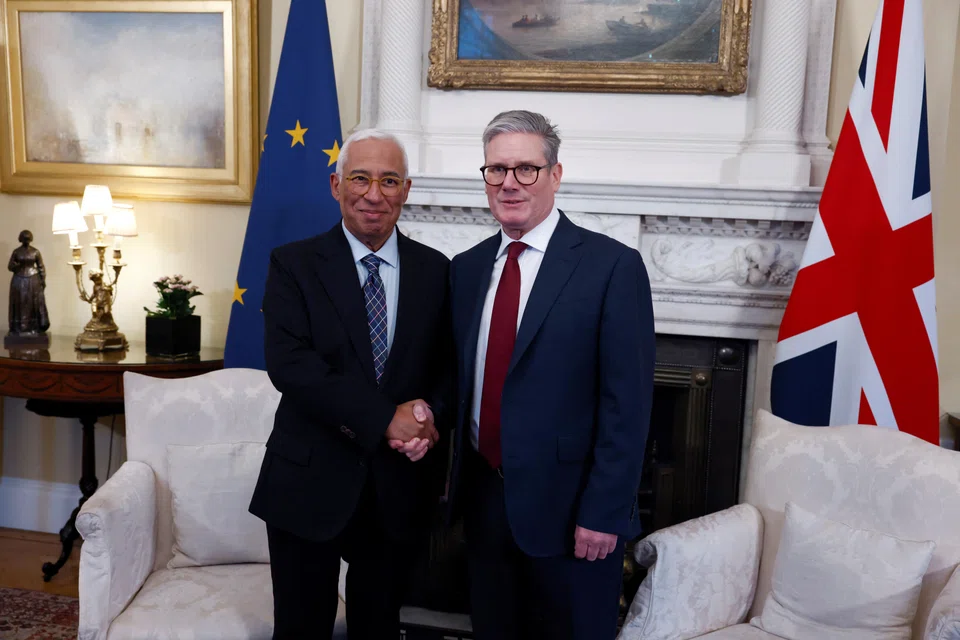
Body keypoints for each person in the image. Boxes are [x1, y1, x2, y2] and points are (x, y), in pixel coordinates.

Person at [447, 110, 655, 639]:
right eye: (496, 169)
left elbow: (626, 407)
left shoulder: (612, 267)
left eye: (526, 169)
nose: (509, 183)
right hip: (486, 507)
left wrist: (604, 512)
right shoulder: (466, 269)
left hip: (573, 517)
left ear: (555, 175)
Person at [249, 129, 453, 639]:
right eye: (360, 178)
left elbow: (450, 368)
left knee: (379, 629)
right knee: (301, 629)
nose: (373, 194)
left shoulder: (438, 271)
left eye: (389, 181)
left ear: (407, 190)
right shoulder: (292, 264)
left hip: (396, 486)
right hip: (309, 479)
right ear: (337, 184)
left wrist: (428, 419)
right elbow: (291, 365)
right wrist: (387, 418)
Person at [7, 230, 49, 337]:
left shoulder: (35, 252)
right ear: (21, 239)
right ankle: (18, 327)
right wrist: (17, 266)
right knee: (20, 302)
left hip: (33, 279)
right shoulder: (16, 252)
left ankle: (34, 326)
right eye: (24, 238)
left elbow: (41, 267)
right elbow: (10, 266)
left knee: (32, 302)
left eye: (28, 238)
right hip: (18, 280)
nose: (26, 241)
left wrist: (42, 280)